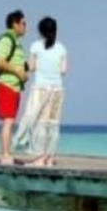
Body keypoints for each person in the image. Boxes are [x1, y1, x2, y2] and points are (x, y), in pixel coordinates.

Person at [13, 16, 67, 167]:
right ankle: (49, 158)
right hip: (57, 90)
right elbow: (63, 70)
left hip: (41, 89)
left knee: (39, 123)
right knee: (53, 124)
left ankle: (38, 159)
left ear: (41, 31)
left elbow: (31, 67)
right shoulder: (61, 48)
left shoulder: (36, 46)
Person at [0, 10, 29, 165]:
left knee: (10, 121)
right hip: (6, 85)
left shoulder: (17, 41)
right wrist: (18, 73)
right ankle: (5, 155)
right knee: (8, 121)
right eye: (23, 23)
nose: (25, 27)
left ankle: (8, 154)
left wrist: (23, 74)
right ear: (15, 24)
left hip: (14, 87)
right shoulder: (7, 39)